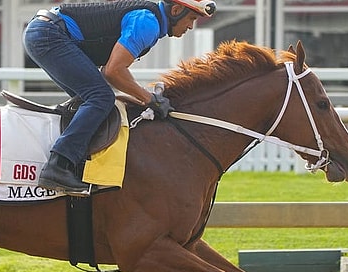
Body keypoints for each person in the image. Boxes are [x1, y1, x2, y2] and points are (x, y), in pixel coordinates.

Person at [23, 0, 217, 196]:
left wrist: (142, 97)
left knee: (93, 100)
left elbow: (112, 71)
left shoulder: (149, 20)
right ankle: (58, 165)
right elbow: (114, 71)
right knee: (100, 98)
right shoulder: (148, 23)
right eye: (191, 19)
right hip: (49, 34)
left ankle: (73, 163)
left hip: (46, 31)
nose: (191, 26)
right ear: (176, 10)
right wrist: (150, 99)